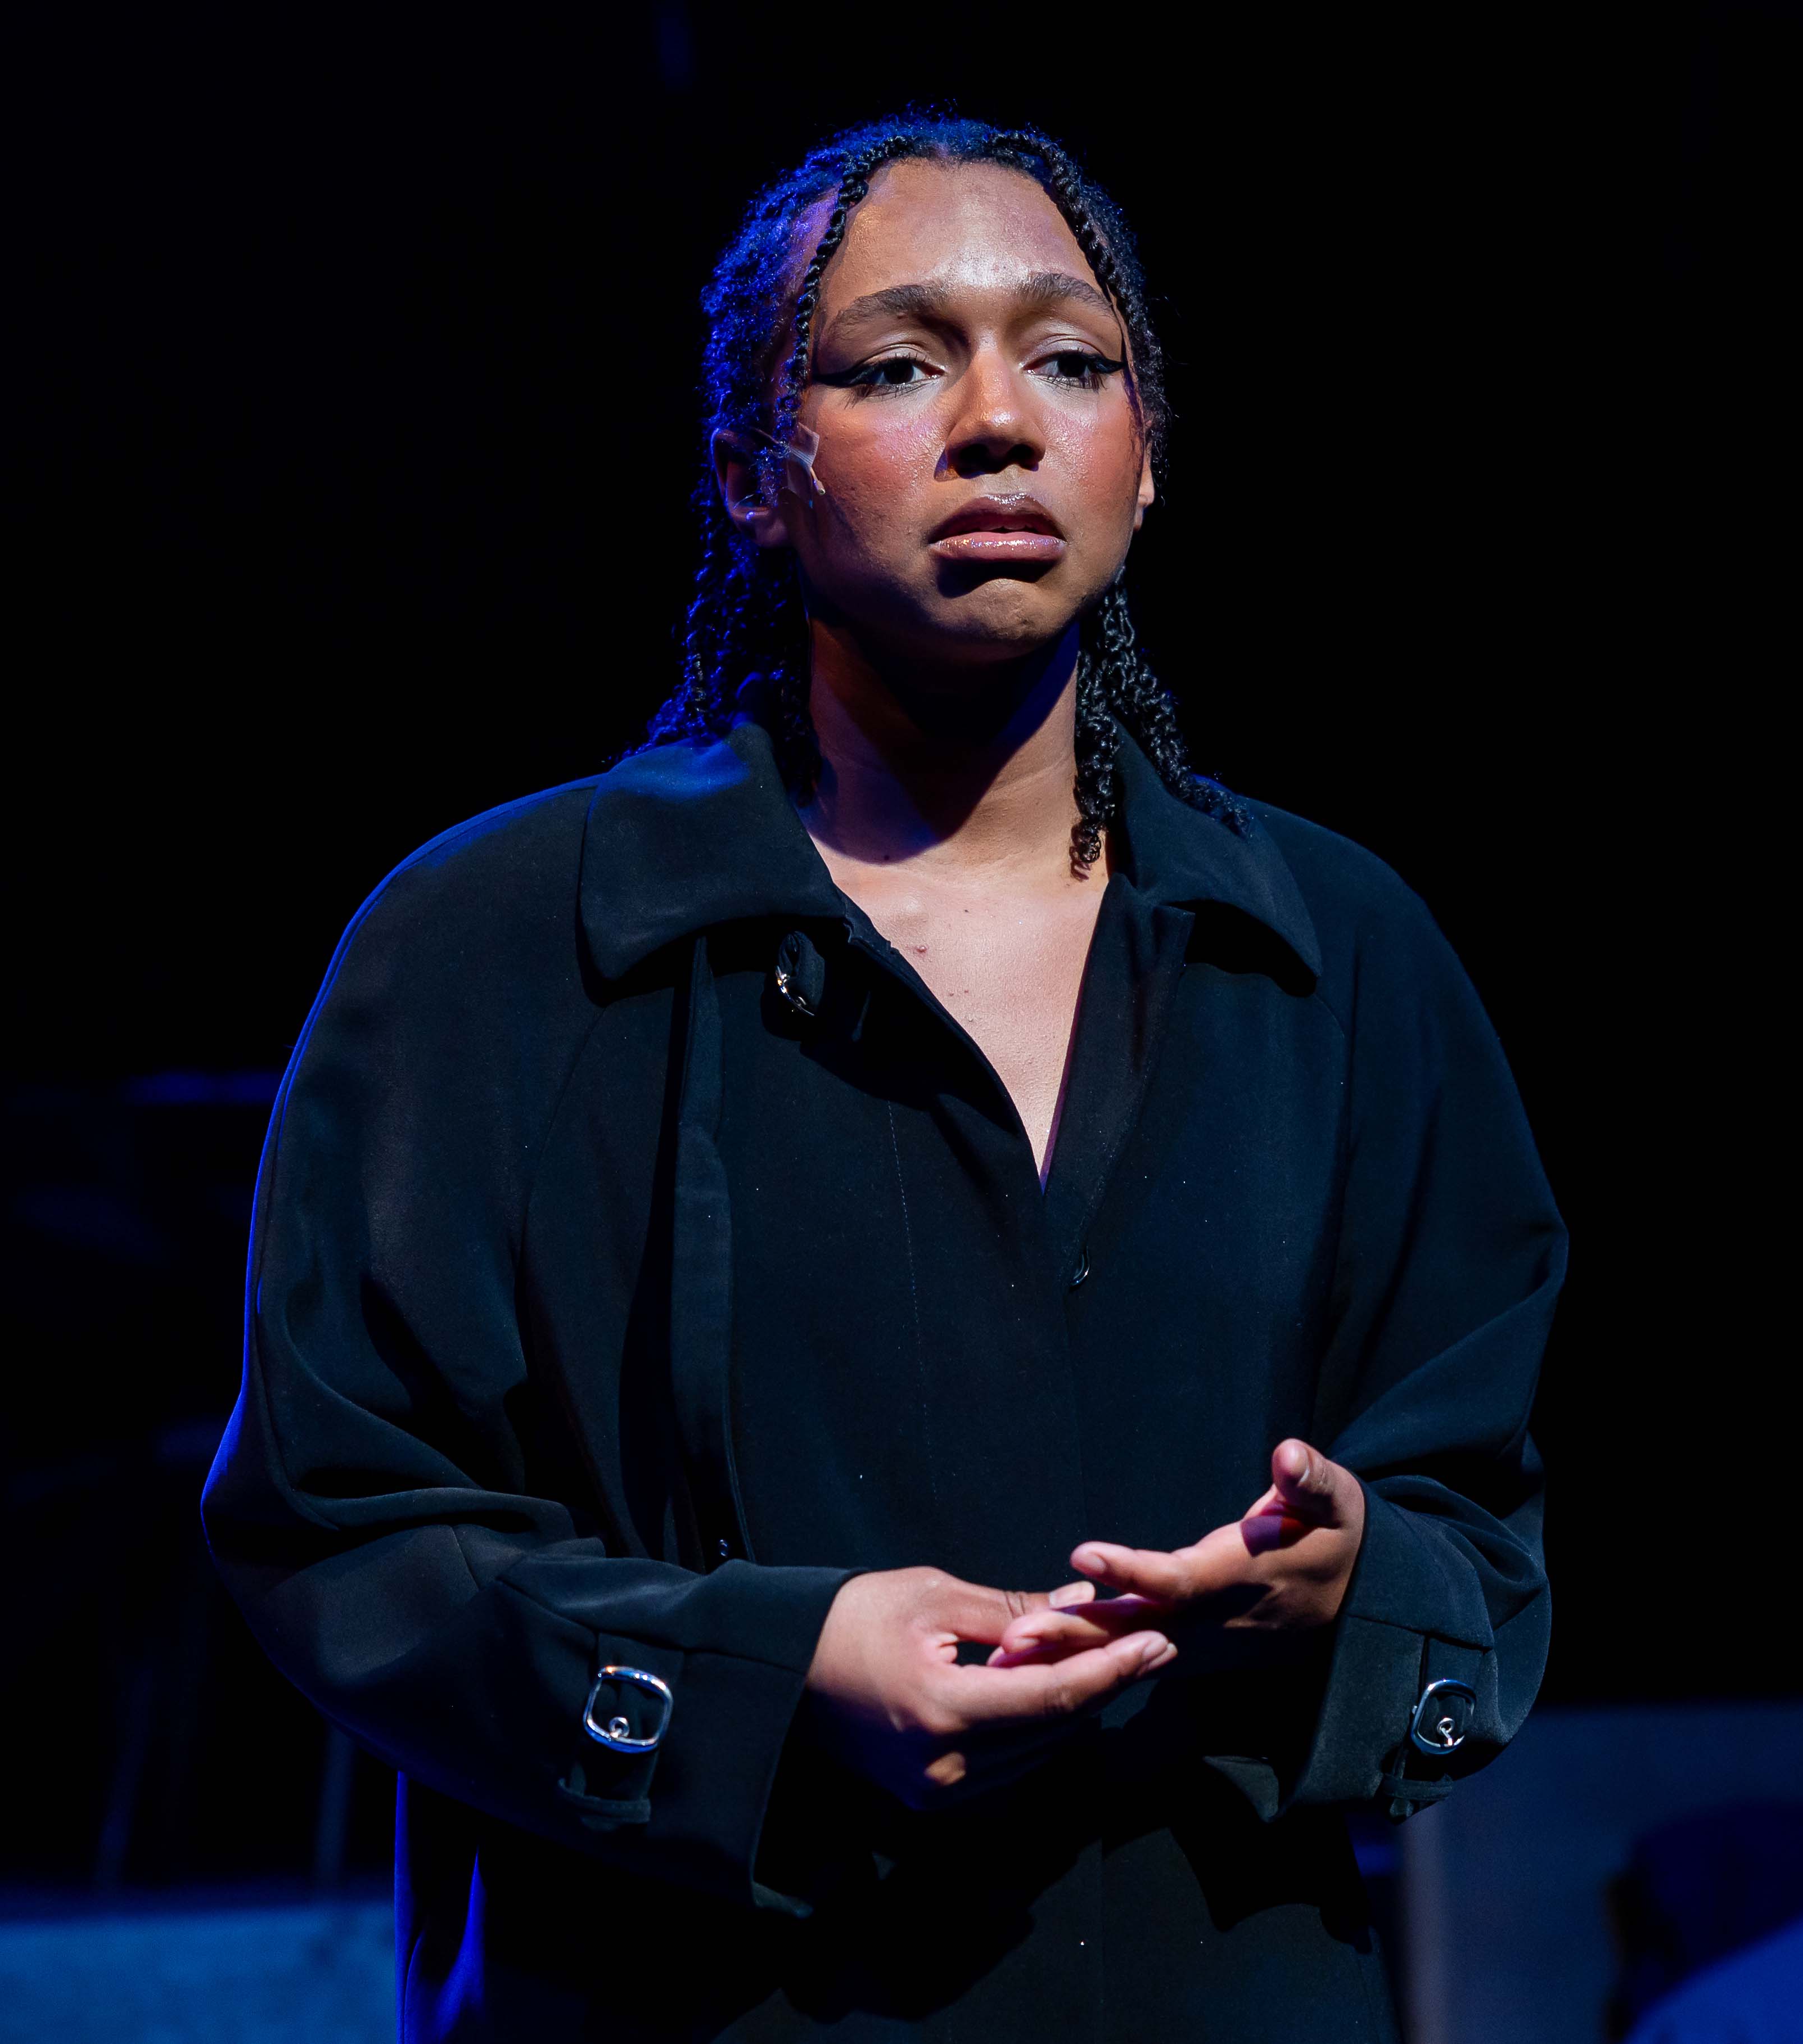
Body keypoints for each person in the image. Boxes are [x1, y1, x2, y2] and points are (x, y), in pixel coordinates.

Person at [202, 114, 1562, 2042]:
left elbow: (1482, 1531)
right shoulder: (507, 948)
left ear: (1145, 455)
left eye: (1070, 360)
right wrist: (779, 1665)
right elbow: (335, 1522)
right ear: (754, 475)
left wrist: (1344, 1589)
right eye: (900, 362)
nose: (999, 422)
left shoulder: (1335, 952)